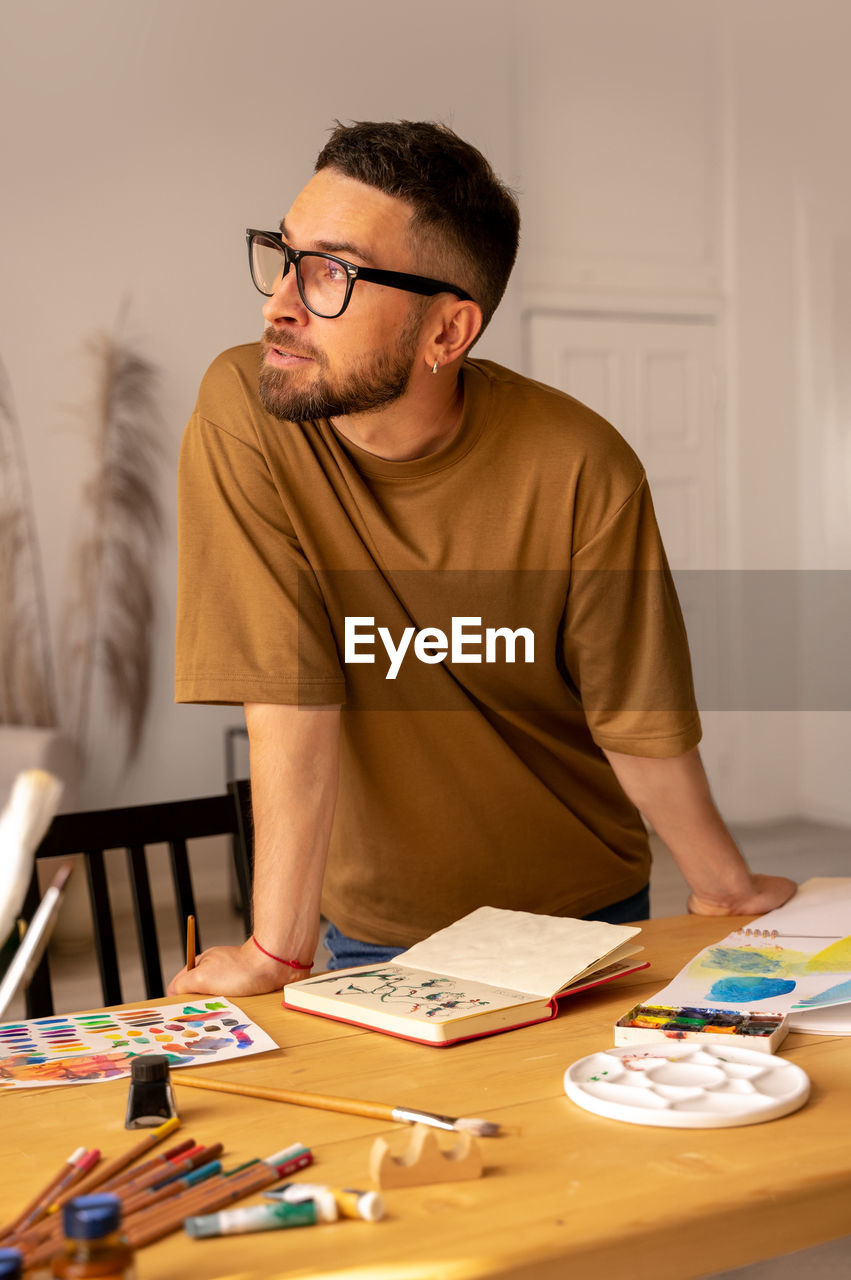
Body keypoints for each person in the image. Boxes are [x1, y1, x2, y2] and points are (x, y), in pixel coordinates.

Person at [168, 121, 795, 998]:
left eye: (331, 276)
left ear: (447, 331)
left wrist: (724, 887)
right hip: (373, 931)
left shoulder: (581, 465)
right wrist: (279, 949)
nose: (281, 302)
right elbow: (286, 684)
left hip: (582, 920)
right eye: (284, 255)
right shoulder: (248, 408)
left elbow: (636, 718)